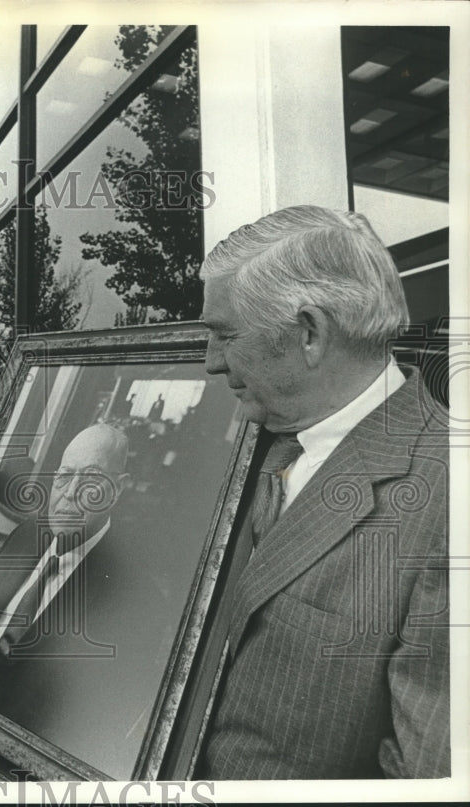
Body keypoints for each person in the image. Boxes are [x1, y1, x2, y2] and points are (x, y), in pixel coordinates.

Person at [196, 205, 449, 778]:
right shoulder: (239, 442)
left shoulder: (449, 500)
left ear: (309, 332)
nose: (210, 363)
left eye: (226, 336)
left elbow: (425, 780)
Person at [0, 423, 131, 676]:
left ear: (118, 488)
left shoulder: (121, 591)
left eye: (91, 478)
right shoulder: (29, 533)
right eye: (65, 475)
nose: (70, 493)